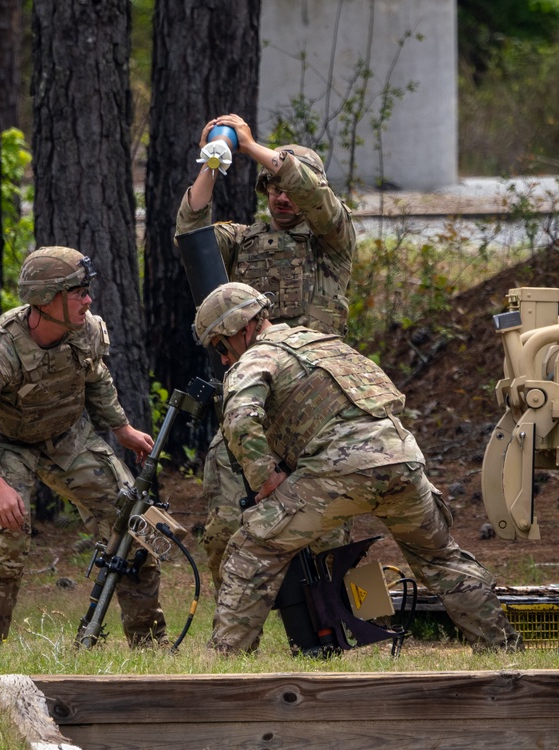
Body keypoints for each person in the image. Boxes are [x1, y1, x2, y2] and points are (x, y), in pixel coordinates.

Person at [192, 282, 523, 654]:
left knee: (251, 548)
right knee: (440, 558)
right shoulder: (325, 344)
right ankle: (503, 651)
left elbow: (239, 419)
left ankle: (225, 660)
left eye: (221, 346)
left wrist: (264, 477)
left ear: (243, 328)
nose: (223, 359)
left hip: (341, 469)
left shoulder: (258, 356)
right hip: (402, 460)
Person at [0, 246, 165, 647]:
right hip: (6, 442)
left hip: (66, 434)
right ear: (47, 300)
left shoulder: (87, 330)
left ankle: (150, 645)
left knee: (132, 521)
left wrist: (122, 429)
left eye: (87, 290)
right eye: (78, 291)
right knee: (10, 536)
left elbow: (96, 377)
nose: (88, 299)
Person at [176, 113, 357, 588]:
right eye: (270, 187)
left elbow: (318, 200)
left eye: (286, 185)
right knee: (223, 525)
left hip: (318, 408)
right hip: (253, 408)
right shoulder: (243, 241)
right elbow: (191, 233)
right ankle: (233, 626)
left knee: (331, 531)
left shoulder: (332, 242)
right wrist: (212, 162)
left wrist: (254, 145)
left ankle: (348, 622)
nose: (280, 195)